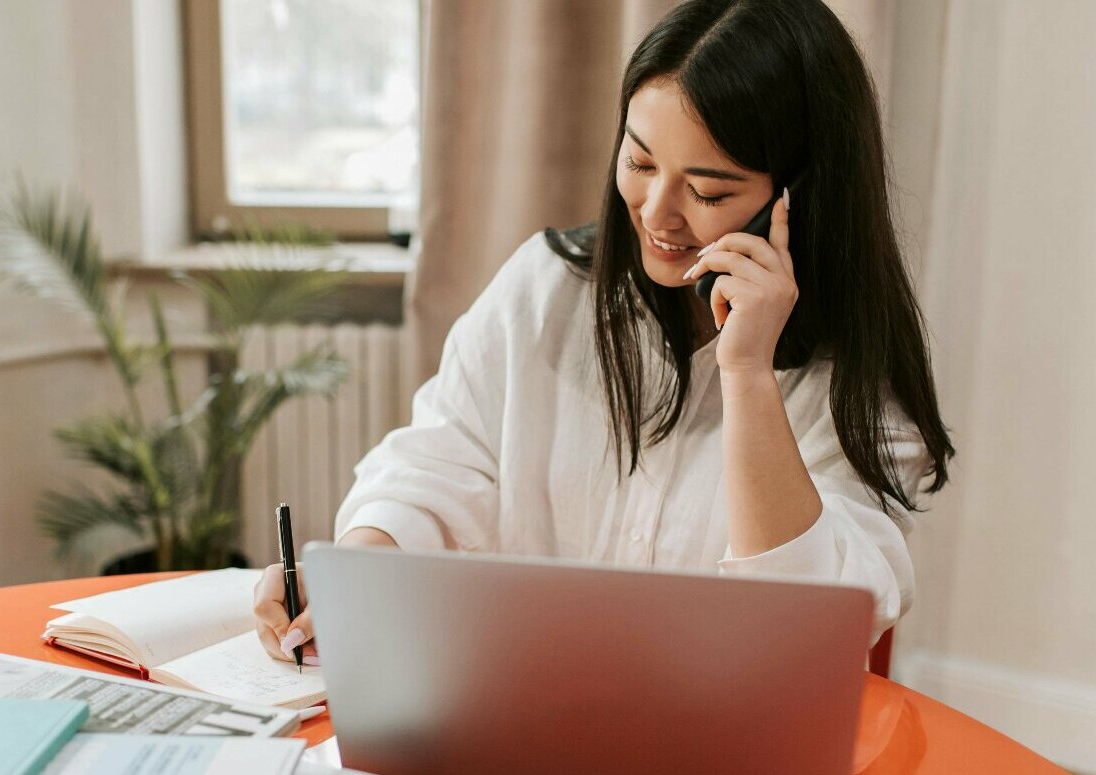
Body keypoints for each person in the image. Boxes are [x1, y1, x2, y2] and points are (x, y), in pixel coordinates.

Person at [254, 0, 954, 666]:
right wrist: (358, 572)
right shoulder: (547, 289)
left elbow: (811, 626)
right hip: (519, 713)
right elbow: (436, 463)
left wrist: (747, 376)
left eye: (708, 192)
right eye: (641, 162)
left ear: (797, 198)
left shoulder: (859, 379)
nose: (657, 212)